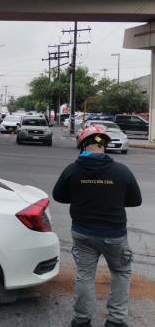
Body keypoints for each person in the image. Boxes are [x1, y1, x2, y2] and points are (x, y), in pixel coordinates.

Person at [53, 125, 142, 327]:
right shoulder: (121, 171)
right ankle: (116, 321)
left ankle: (82, 320)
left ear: (83, 144)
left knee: (85, 275)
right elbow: (135, 200)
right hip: (114, 235)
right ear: (105, 146)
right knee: (121, 273)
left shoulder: (72, 170)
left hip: (82, 233)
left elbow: (59, 196)